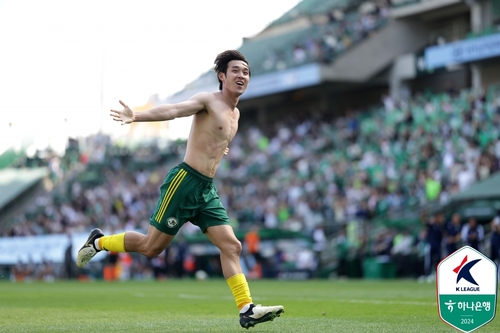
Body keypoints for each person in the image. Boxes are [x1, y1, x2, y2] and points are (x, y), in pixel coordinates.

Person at [76, 50, 284, 329]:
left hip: (206, 190)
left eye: (246, 72)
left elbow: (214, 139)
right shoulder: (207, 100)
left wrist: (219, 149)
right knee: (152, 248)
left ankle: (246, 309)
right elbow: (173, 111)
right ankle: (98, 242)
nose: (242, 76)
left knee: (232, 246)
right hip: (184, 183)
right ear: (222, 76)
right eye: (235, 70)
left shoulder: (235, 113)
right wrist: (135, 116)